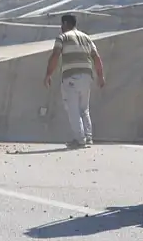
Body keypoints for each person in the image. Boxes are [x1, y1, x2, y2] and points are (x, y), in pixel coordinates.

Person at [44, 13, 106, 149]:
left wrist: (48, 74)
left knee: (73, 109)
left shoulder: (63, 37)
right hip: (87, 77)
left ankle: (80, 139)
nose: (61, 27)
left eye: (62, 24)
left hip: (71, 76)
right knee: (84, 108)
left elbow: (55, 56)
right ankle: (88, 137)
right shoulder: (86, 38)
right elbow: (96, 57)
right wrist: (100, 76)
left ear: (66, 23)